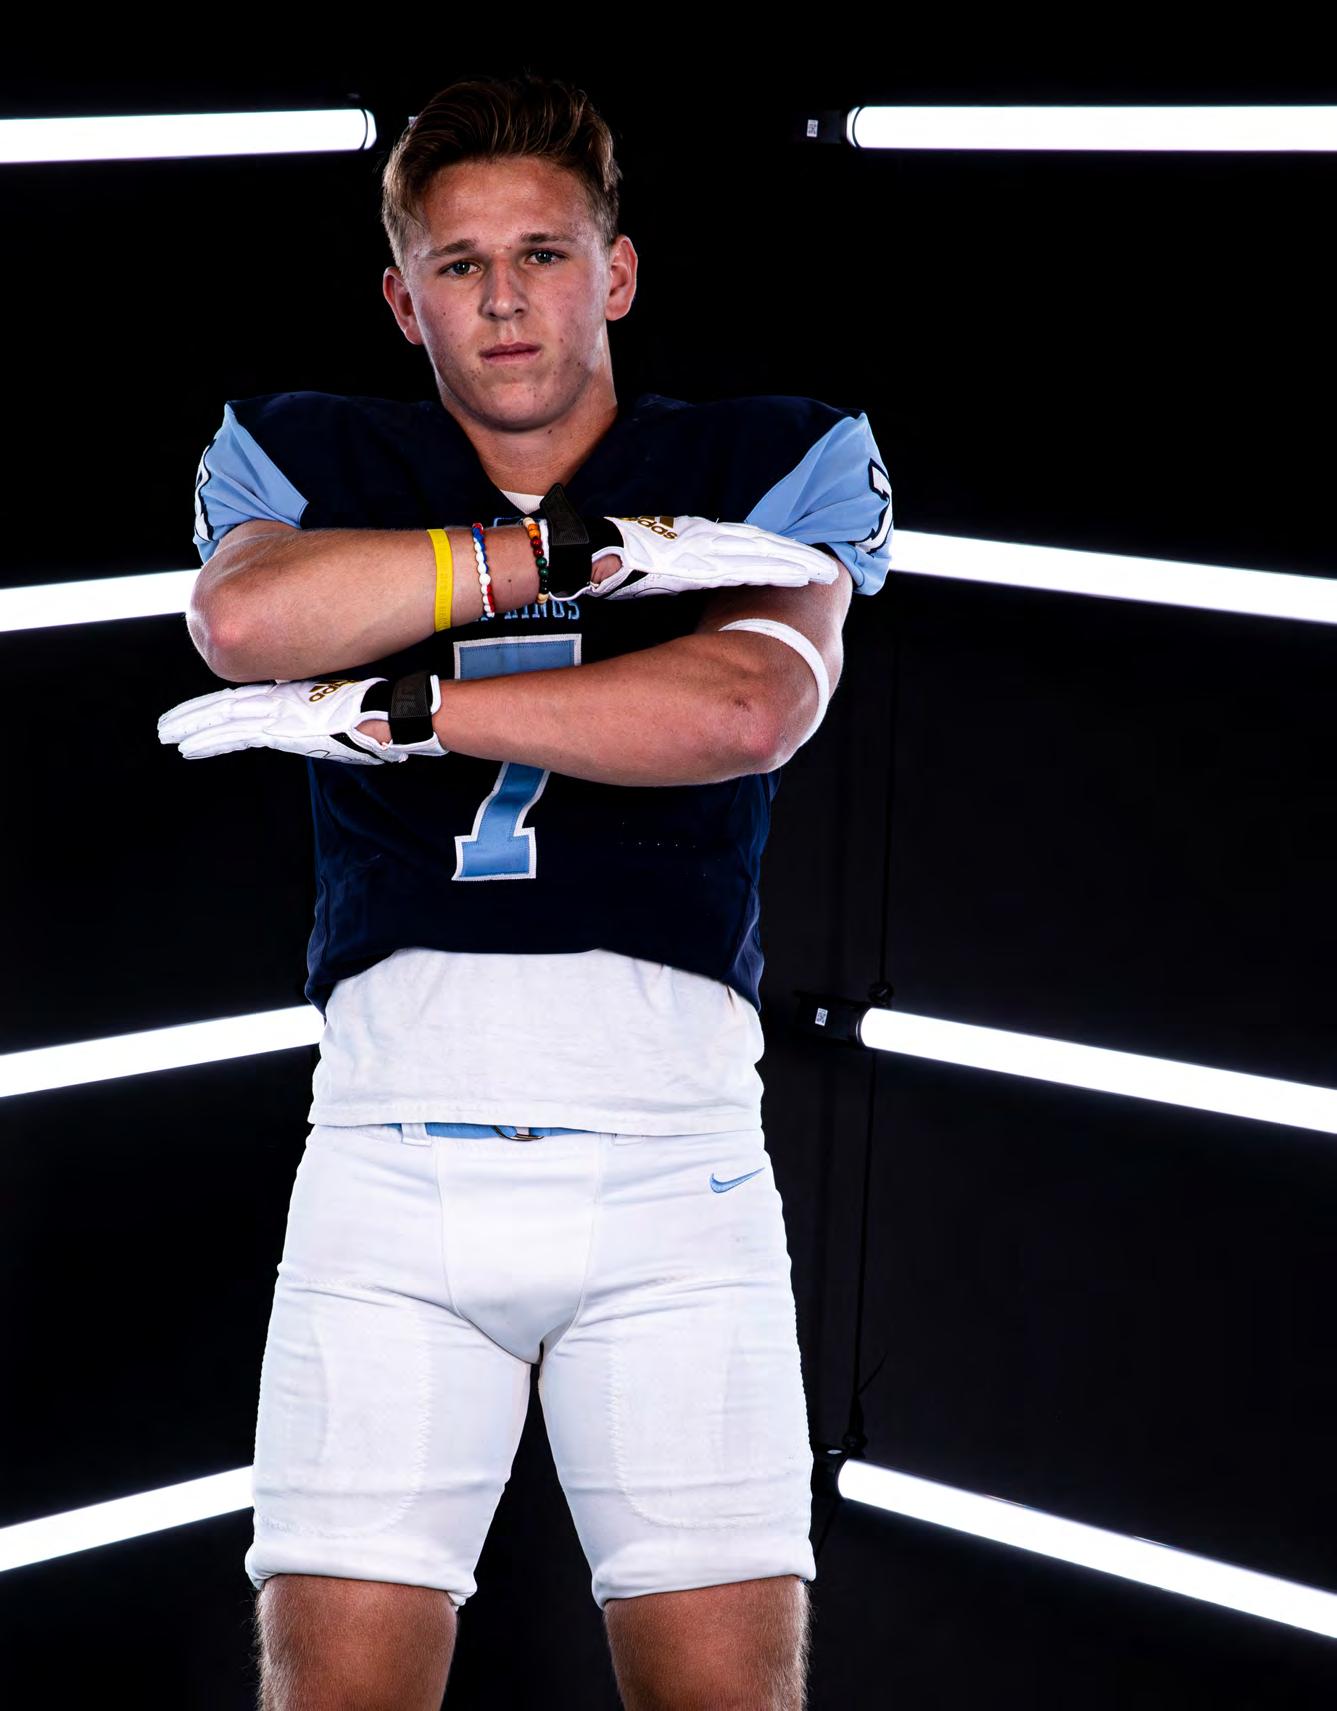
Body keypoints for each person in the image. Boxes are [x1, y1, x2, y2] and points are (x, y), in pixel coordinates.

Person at [160, 71, 891, 1711]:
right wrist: (576, 557)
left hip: (674, 1171)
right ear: (402, 299)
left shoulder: (778, 455)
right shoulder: (303, 450)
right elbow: (246, 628)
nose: (505, 299)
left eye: (544, 255)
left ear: (613, 273)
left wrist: (404, 708)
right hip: (387, 1162)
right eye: (461, 263)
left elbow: (741, 709)